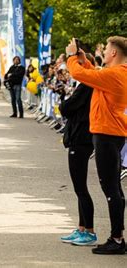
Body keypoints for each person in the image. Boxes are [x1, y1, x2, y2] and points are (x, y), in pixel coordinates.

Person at [66, 36, 127, 255]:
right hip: (110, 133)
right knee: (114, 188)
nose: (104, 51)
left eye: (107, 48)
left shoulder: (116, 74)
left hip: (107, 134)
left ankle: (117, 238)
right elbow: (95, 75)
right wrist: (85, 61)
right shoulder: (116, 74)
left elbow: (78, 75)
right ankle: (117, 236)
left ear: (113, 54)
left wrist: (73, 57)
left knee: (111, 189)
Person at [59, 80, 96, 246]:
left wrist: (67, 102)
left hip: (81, 137)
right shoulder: (89, 84)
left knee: (81, 187)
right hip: (82, 136)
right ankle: (82, 228)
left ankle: (89, 230)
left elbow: (67, 107)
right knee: (79, 188)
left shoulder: (87, 84)